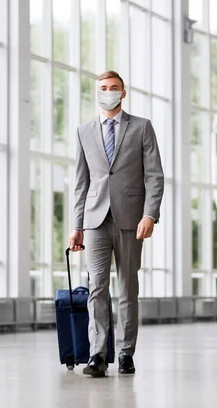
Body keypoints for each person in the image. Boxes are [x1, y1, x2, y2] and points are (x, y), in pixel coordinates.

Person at [68, 70, 164, 377]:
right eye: (103, 88)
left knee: (127, 288)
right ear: (97, 93)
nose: (108, 92)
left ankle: (125, 353)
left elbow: (154, 175)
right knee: (97, 287)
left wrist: (150, 214)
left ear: (123, 93)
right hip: (95, 220)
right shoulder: (84, 131)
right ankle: (97, 354)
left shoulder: (141, 127)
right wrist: (77, 225)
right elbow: (81, 183)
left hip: (131, 219)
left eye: (114, 88)